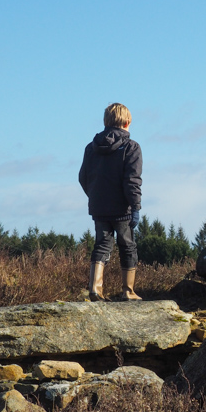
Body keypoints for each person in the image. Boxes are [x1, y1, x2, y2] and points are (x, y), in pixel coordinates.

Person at [79, 103, 142, 301]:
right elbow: (132, 180)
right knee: (127, 246)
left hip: (99, 206)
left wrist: (95, 196)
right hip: (122, 207)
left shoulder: (91, 148)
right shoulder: (131, 147)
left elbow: (83, 177)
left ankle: (95, 289)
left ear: (106, 122)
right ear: (126, 122)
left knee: (102, 245)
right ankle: (128, 291)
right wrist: (135, 207)